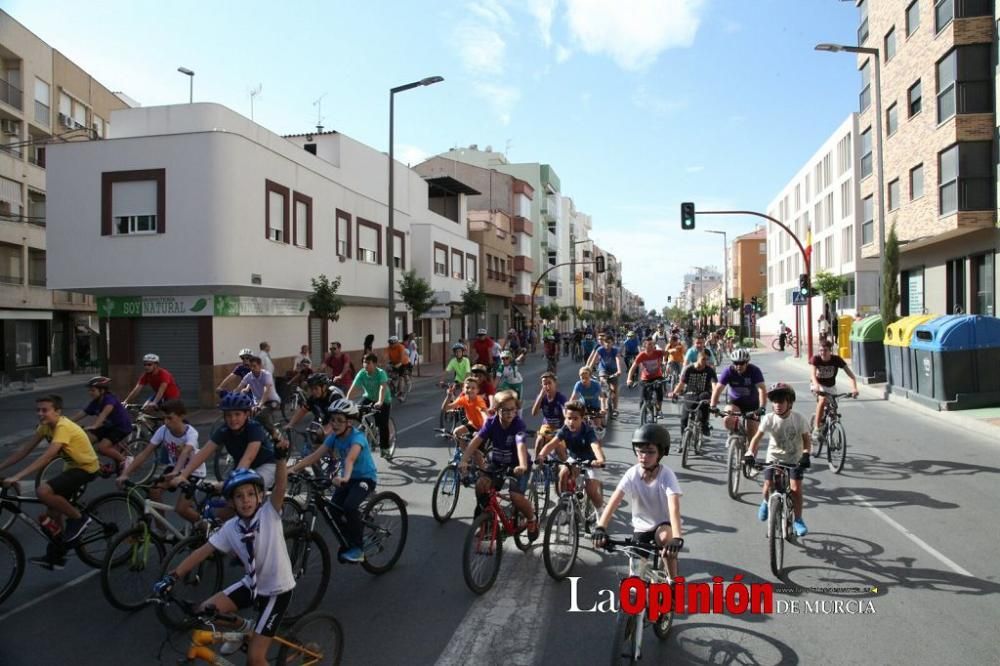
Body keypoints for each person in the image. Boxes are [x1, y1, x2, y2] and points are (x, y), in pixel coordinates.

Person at [154, 454, 293, 666]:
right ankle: (244, 628)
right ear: (231, 502)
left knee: (255, 659)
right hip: (253, 585)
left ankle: (253, 637)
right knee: (205, 611)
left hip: (277, 590)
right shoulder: (231, 528)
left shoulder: (269, 514)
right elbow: (202, 551)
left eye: (250, 494)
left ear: (260, 497)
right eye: (239, 496)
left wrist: (281, 459)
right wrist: (173, 577)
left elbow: (281, 487)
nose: (245, 500)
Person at [0, 394, 100, 568]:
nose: (40, 413)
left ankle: (79, 518)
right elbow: (23, 451)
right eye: (38, 410)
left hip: (86, 468)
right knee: (51, 516)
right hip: (70, 469)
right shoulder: (45, 427)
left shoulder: (63, 426)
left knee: (43, 491)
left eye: (45, 410)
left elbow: (47, 457)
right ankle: (57, 556)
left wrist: (18, 476)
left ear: (58, 411)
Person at [289, 399, 377, 563]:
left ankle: (358, 549)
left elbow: (350, 460)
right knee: (334, 510)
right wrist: (293, 469)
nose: (334, 424)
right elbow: (315, 456)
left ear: (349, 422)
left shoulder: (357, 438)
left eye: (339, 420)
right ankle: (349, 540)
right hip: (346, 480)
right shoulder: (334, 437)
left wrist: (344, 478)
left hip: (364, 478)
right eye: (332, 420)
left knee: (350, 507)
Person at [592, 424, 684, 579]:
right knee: (634, 578)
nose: (644, 456)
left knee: (664, 539)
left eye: (650, 452)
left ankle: (673, 580)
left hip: (663, 525)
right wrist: (601, 527)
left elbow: (674, 507)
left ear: (661, 453)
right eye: (641, 451)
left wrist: (677, 537)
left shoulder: (667, 475)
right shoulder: (632, 473)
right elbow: (614, 500)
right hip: (641, 528)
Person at [458, 390, 538, 540]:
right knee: (481, 486)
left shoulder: (518, 424)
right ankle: (487, 523)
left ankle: (532, 519)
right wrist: (464, 459)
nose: (509, 413)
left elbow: (520, 445)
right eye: (505, 409)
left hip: (518, 465)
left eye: (512, 409)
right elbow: (476, 441)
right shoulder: (491, 422)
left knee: (515, 496)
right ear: (496, 409)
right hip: (497, 463)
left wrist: (522, 465)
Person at [172, 392, 278, 492]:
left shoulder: (254, 428)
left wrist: (232, 481)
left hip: (265, 465)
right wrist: (183, 475)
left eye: (237, 414)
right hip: (242, 467)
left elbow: (248, 458)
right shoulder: (224, 430)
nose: (232, 419)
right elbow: (203, 453)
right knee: (224, 501)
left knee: (247, 492)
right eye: (228, 415)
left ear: (246, 414)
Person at [118, 399, 202, 525]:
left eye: (170, 418)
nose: (166, 422)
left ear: (181, 416)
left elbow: (184, 453)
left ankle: (207, 527)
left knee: (181, 509)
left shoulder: (191, 433)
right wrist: (125, 473)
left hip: (194, 471)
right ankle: (162, 530)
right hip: (175, 468)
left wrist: (176, 472)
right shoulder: (163, 430)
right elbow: (145, 453)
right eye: (164, 418)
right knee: (154, 491)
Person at [744, 382, 811, 537]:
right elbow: (756, 439)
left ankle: (798, 520)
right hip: (774, 457)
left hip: (795, 458)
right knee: (768, 485)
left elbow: (807, 440)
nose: (777, 404)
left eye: (781, 401)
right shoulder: (768, 419)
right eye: (774, 401)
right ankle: (767, 502)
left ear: (790, 403)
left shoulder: (799, 419)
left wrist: (806, 454)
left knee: (795, 489)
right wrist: (749, 453)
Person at [537, 401, 606, 519]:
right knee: (563, 474)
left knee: (591, 490)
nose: (571, 422)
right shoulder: (565, 430)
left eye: (575, 419)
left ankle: (600, 512)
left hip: (592, 461)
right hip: (574, 459)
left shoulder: (587, 431)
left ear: (582, 418)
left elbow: (595, 446)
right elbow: (551, 444)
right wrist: (541, 455)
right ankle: (564, 505)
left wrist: (599, 460)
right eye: (569, 418)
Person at [71, 376, 133, 473]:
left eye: (93, 390)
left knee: (102, 448)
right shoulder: (95, 402)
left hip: (121, 427)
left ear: (102, 391)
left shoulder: (109, 399)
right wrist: (65, 422)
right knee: (85, 440)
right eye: (89, 391)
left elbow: (104, 413)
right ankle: (102, 464)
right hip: (108, 426)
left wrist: (95, 426)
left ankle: (126, 461)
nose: (90, 393)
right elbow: (82, 413)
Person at [710, 348, 767, 442]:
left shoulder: (754, 371)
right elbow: (718, 389)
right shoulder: (728, 371)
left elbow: (762, 389)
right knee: (727, 419)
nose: (738, 366)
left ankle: (749, 455)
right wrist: (713, 406)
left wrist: (762, 408)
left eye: (741, 363)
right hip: (735, 402)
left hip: (752, 403)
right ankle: (736, 435)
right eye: (736, 363)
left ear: (747, 362)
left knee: (752, 436)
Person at [810, 340, 859, 439]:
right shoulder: (816, 359)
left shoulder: (836, 360)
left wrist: (854, 389)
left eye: (825, 350)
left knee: (833, 409)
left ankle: (829, 428)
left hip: (831, 387)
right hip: (818, 385)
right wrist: (816, 386)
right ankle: (816, 428)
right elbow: (813, 375)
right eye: (820, 350)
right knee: (822, 400)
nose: (822, 353)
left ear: (830, 351)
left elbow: (851, 376)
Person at [346, 353, 393, 455]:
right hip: (369, 397)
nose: (365, 365)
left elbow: (382, 388)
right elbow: (353, 388)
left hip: (384, 399)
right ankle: (368, 425)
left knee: (382, 424)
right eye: (364, 362)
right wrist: (346, 401)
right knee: (356, 411)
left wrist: (380, 401)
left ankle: (385, 448)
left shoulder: (381, 373)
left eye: (368, 363)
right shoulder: (362, 373)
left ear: (375, 364)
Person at [670, 349, 718, 437]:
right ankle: (683, 441)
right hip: (690, 393)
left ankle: (704, 425)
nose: (705, 362)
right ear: (698, 358)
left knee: (705, 401)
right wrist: (674, 393)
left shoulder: (710, 370)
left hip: (704, 393)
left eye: (707, 360)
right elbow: (681, 383)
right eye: (703, 359)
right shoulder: (689, 369)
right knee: (684, 419)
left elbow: (714, 385)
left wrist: (714, 398)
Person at [236, 355, 282, 441]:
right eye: (251, 366)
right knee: (247, 416)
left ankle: (275, 433)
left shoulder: (266, 375)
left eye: (254, 366)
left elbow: (266, 390)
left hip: (272, 401)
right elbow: (238, 388)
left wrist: (260, 405)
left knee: (261, 415)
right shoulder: (249, 376)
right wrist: (231, 398)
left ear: (260, 366)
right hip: (259, 402)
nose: (252, 368)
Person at [444, 378, 488, 456]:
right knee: (456, 432)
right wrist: (449, 396)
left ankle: (482, 467)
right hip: (472, 425)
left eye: (473, 388)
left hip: (483, 428)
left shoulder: (479, 401)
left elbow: (485, 416)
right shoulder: (464, 399)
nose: (470, 390)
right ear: (463, 389)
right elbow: (446, 408)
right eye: (467, 387)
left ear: (477, 390)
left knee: (478, 454)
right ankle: (466, 455)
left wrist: (481, 432)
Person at [627, 337, 668, 415]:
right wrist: (629, 379)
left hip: (657, 377)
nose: (652, 346)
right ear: (644, 346)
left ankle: (659, 410)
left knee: (659, 391)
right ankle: (643, 416)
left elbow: (668, 353)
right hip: (645, 378)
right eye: (649, 344)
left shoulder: (658, 352)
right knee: (642, 400)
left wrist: (666, 363)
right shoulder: (641, 355)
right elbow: (632, 368)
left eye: (652, 344)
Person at [531, 372, 567, 457]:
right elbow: (534, 413)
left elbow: (565, 412)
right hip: (547, 427)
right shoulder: (542, 398)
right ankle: (538, 465)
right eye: (545, 384)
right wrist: (540, 396)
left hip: (559, 428)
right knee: (539, 441)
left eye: (549, 383)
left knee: (560, 450)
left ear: (555, 383)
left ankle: (567, 468)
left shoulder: (560, 398)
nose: (547, 386)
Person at [588, 335, 624, 416]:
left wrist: (619, 370)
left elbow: (618, 360)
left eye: (609, 343)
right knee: (603, 385)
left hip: (613, 370)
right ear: (603, 343)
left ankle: (615, 409)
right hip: (603, 370)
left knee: (614, 390)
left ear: (612, 343)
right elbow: (593, 360)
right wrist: (589, 370)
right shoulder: (600, 349)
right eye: (606, 343)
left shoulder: (615, 350)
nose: (607, 344)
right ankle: (603, 407)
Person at [570, 366, 605, 431]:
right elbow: (572, 398)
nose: (584, 380)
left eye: (586, 378)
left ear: (590, 376)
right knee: (580, 425)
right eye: (582, 378)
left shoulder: (596, 384)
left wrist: (603, 408)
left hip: (595, 406)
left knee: (598, 425)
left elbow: (602, 397)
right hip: (584, 407)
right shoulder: (578, 384)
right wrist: (570, 408)